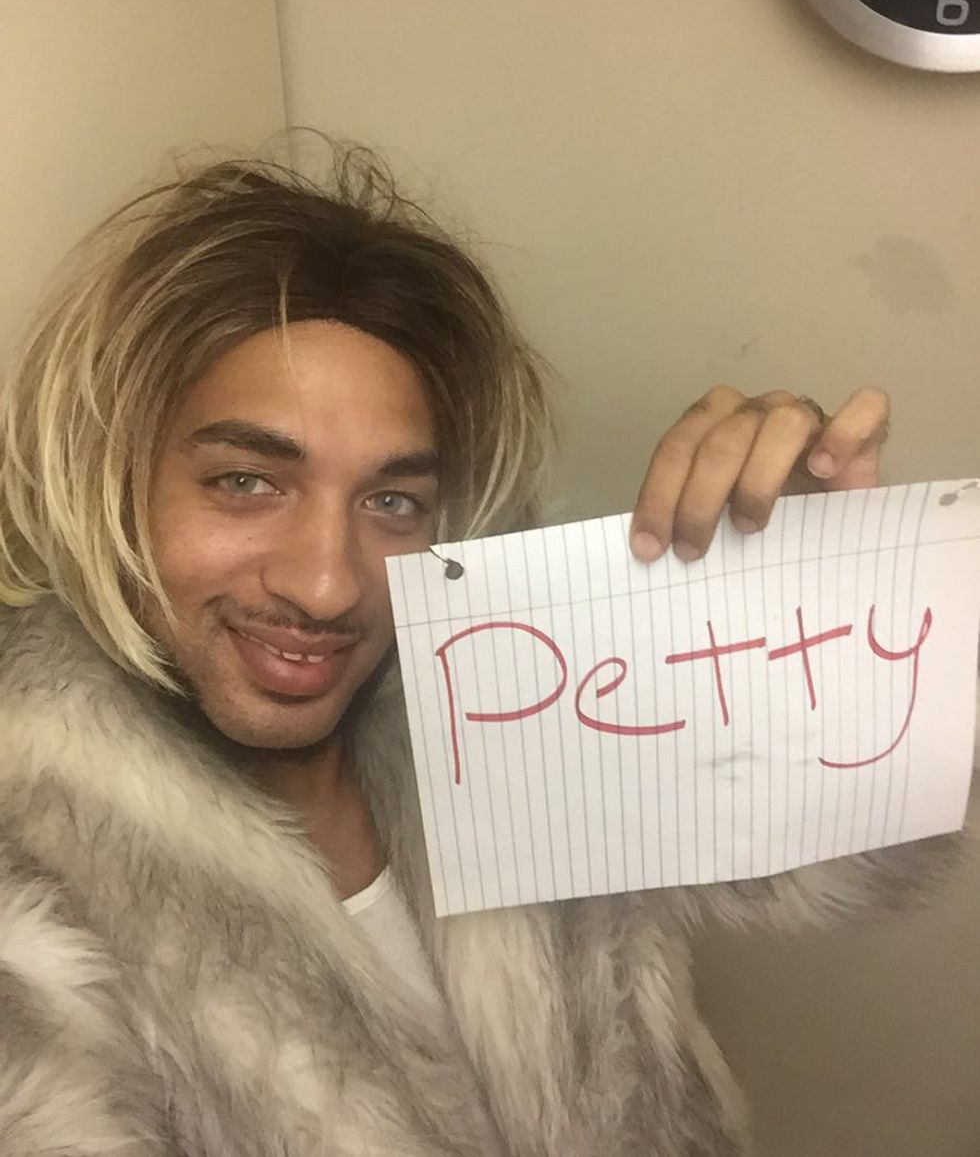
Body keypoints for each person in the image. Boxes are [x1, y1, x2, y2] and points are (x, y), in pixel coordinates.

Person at [0, 141, 955, 1156]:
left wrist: (818, 583)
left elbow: (847, 854)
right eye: (246, 481)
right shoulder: (30, 864)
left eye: (391, 501)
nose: (326, 584)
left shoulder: (518, 708)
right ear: (113, 473)